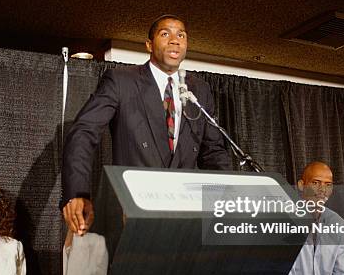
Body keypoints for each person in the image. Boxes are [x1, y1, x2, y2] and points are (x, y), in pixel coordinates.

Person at [62, 14, 231, 235]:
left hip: (185, 218)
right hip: (133, 213)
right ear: (149, 44)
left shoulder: (199, 90)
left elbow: (213, 151)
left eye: (181, 35)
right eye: (165, 34)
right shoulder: (122, 81)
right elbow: (83, 133)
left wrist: (231, 198)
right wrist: (77, 193)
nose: (175, 40)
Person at [283, 162, 344, 275]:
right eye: (316, 183)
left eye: (328, 185)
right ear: (301, 185)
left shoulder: (339, 225)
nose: (322, 190)